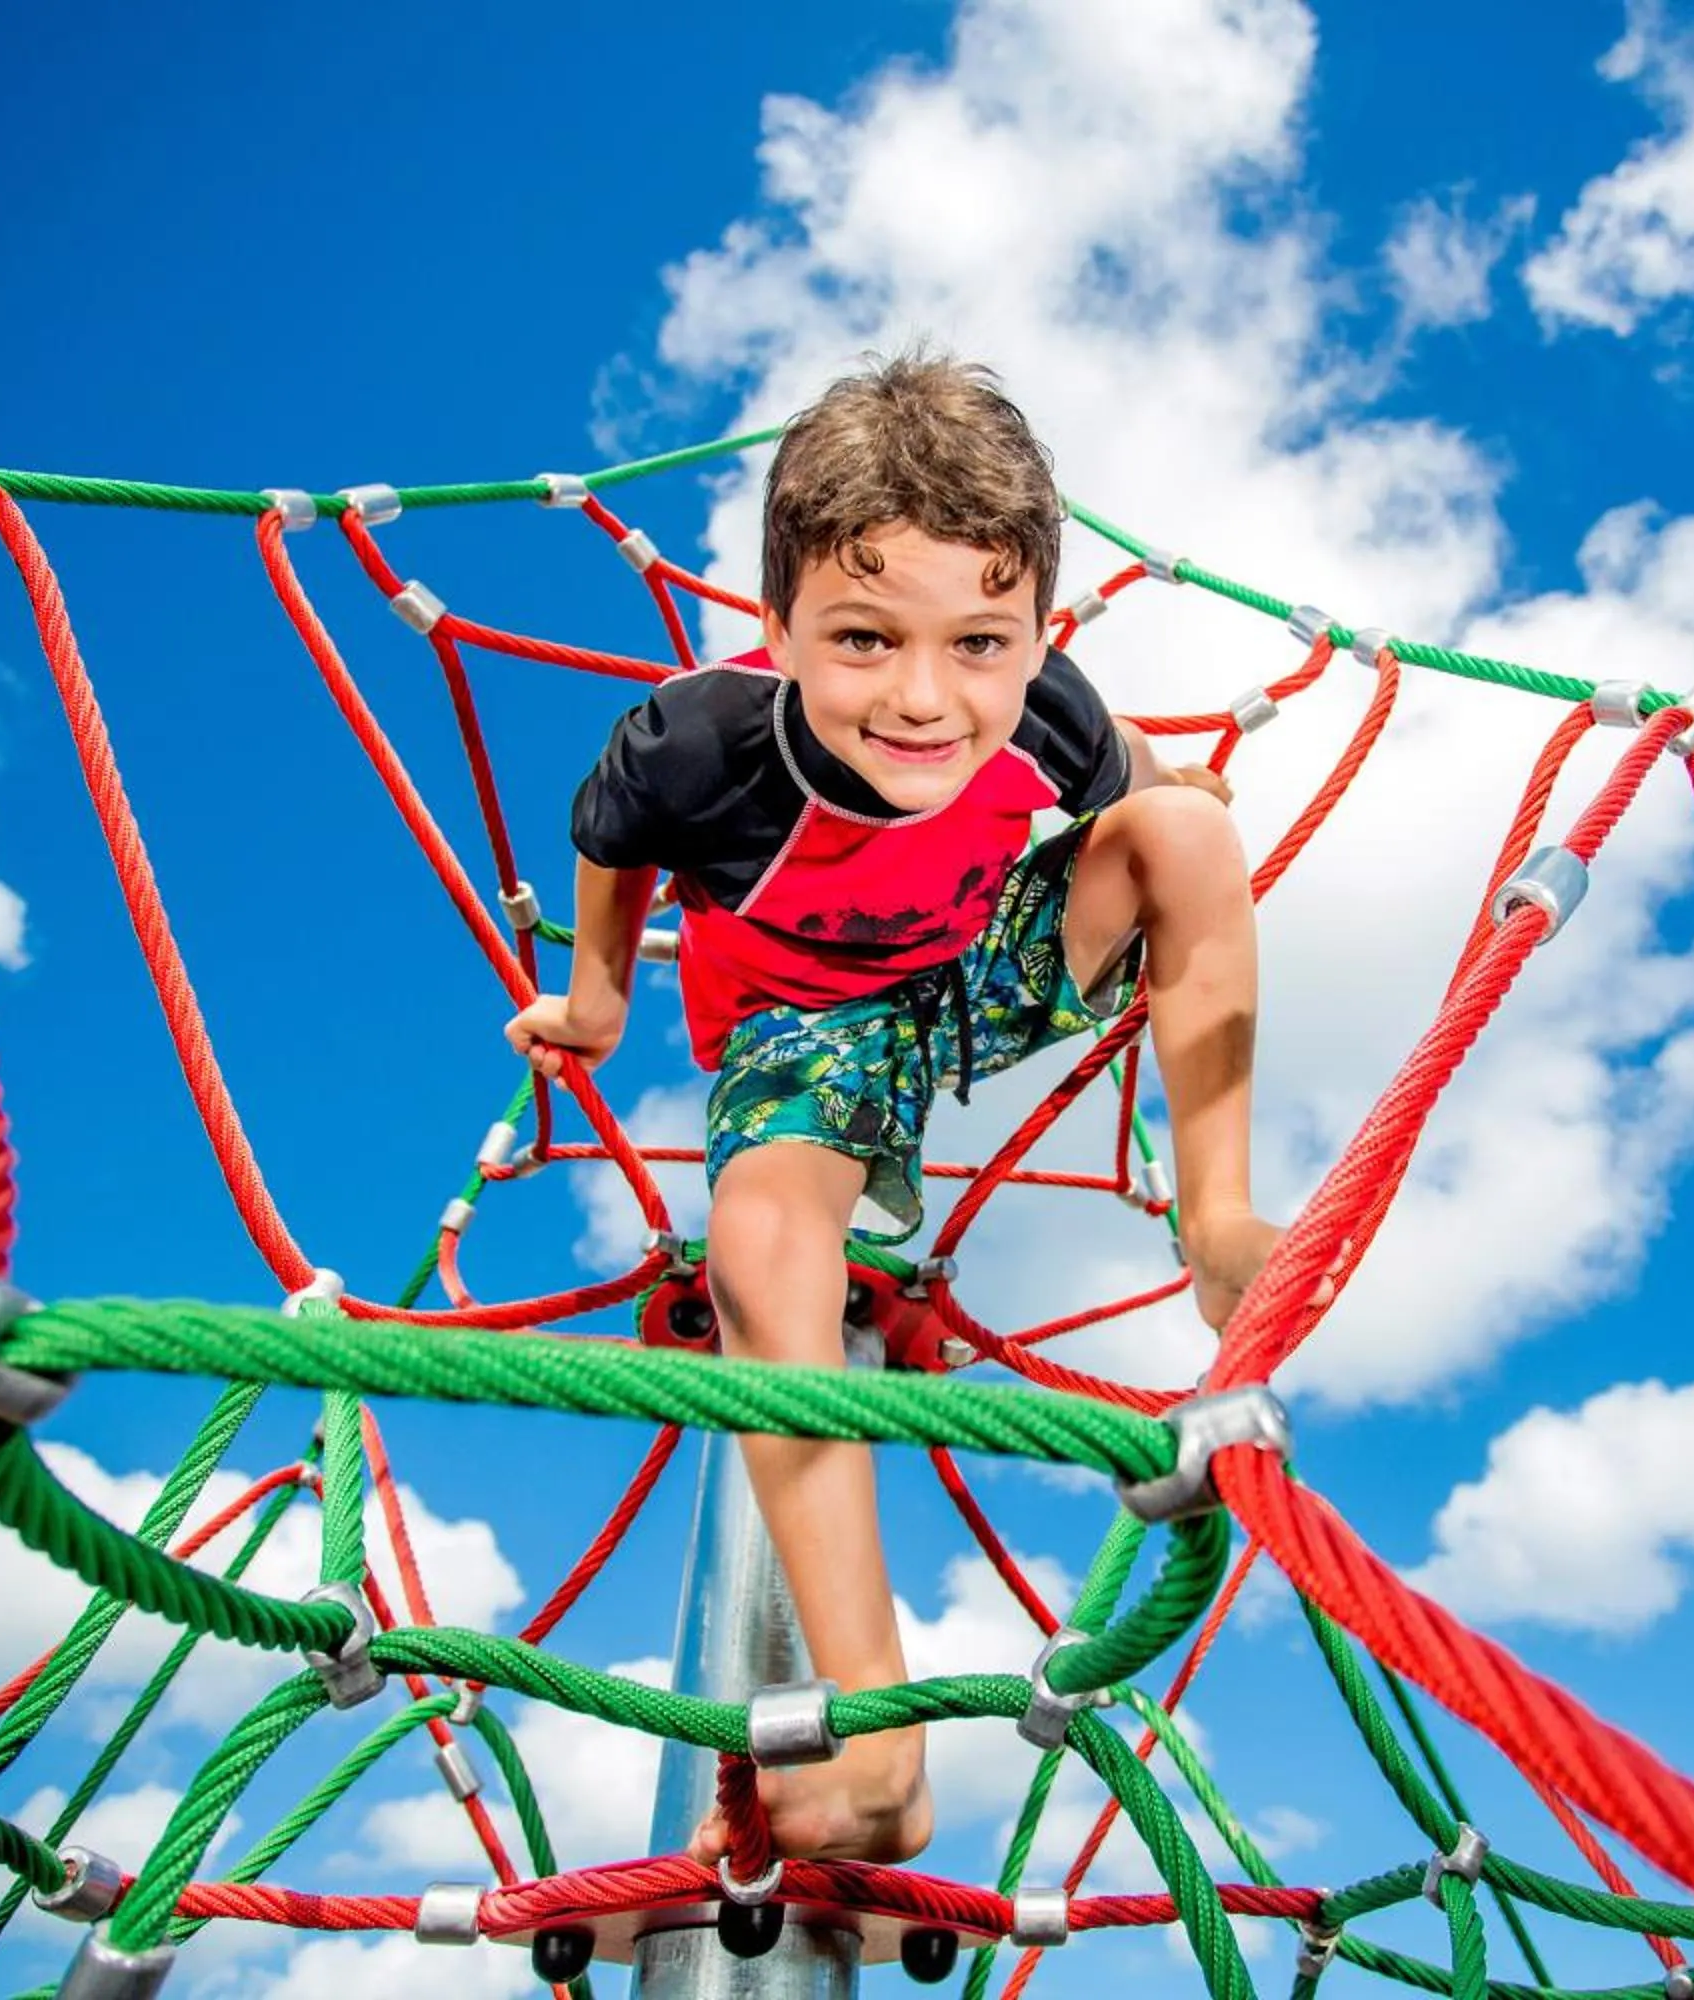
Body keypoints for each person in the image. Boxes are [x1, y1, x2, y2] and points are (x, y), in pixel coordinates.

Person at [504, 350, 1286, 1868]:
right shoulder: (698, 745)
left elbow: (1137, 785)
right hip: (801, 1028)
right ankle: (877, 1728)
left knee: (1187, 835)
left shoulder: (1044, 707)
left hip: (975, 968)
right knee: (762, 1237)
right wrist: (597, 1005)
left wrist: (1173, 792)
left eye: (980, 643)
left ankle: (1219, 1222)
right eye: (864, 638)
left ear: (1037, 635)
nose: (927, 699)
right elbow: (612, 841)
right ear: (778, 625)